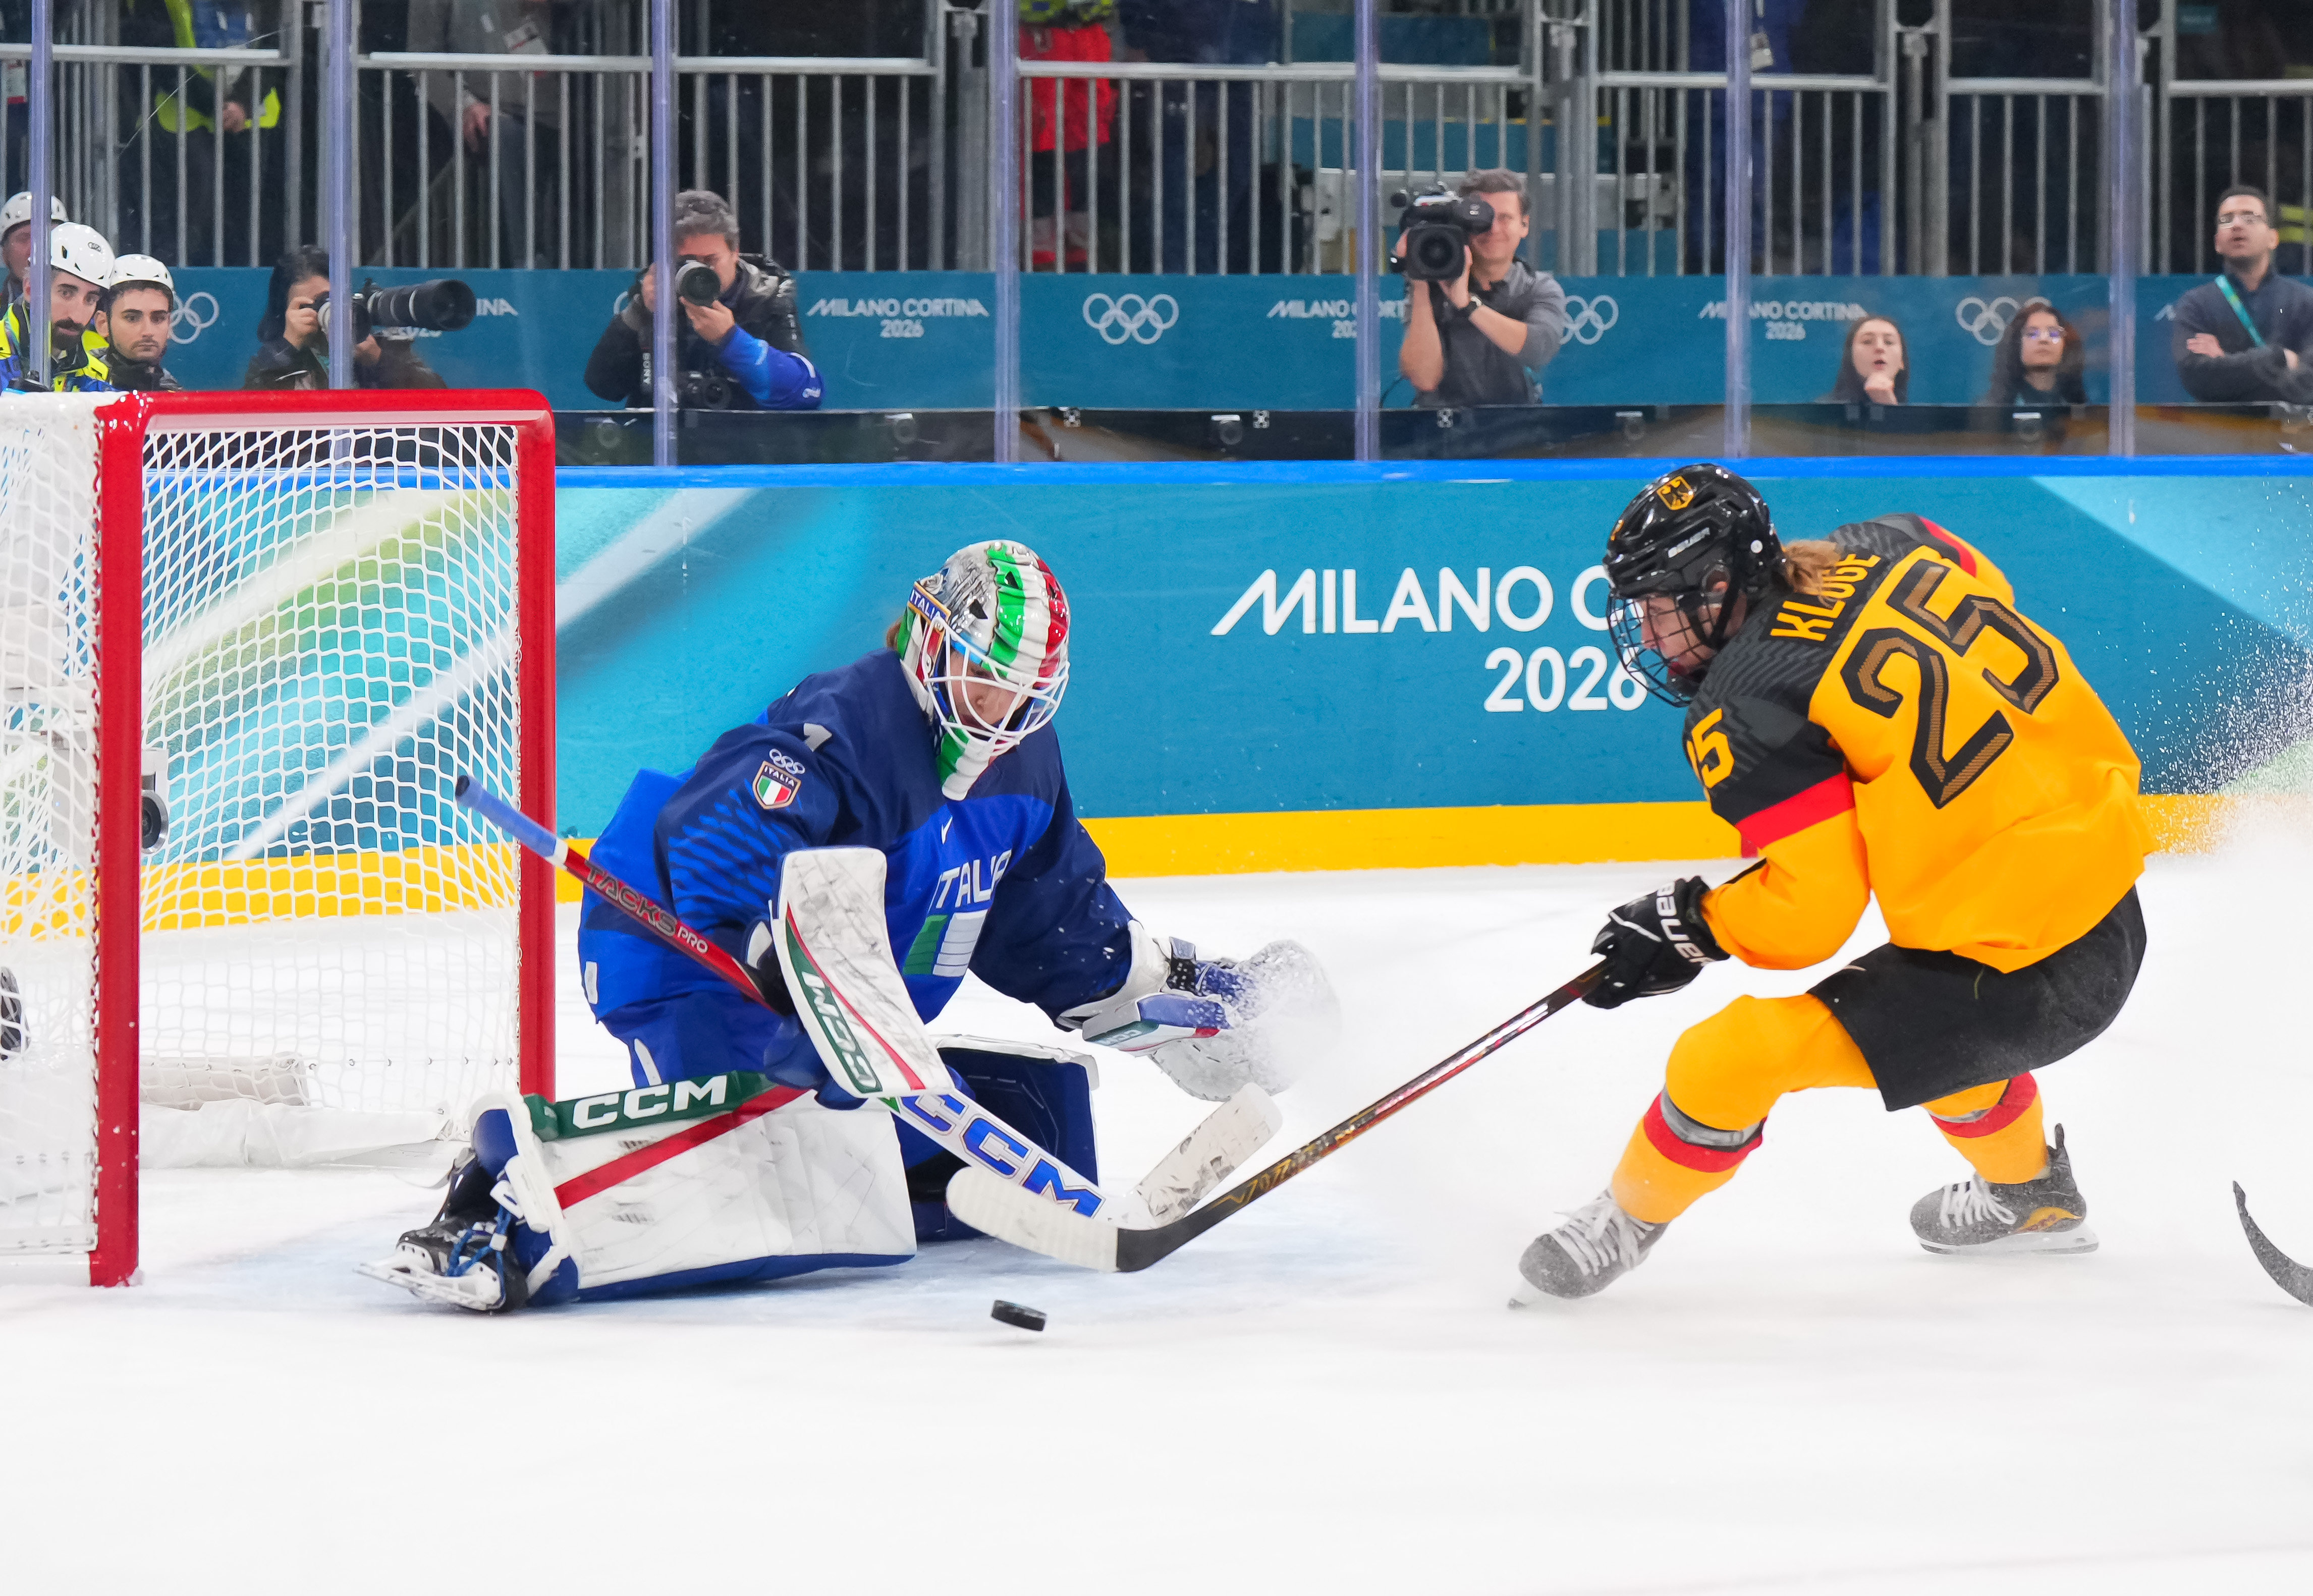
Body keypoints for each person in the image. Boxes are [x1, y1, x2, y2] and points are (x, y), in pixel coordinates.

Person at [366, 542, 1336, 1310]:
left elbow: (1056, 925)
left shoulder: (1025, 769)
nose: (997, 708)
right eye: (981, 676)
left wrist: (1181, 999)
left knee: (968, 1149)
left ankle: (830, 1129)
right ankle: (500, 1188)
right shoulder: (847, 722)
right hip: (688, 956)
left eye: (1020, 691)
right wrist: (770, 956)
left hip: (848, 1017)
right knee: (786, 1157)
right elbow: (711, 838)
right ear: (932, 642)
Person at [1514, 464, 2150, 1301]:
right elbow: (1983, 581)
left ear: (1718, 588)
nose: (1652, 636)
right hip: (2102, 886)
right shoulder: (1892, 539)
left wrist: (1692, 925)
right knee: (1925, 1023)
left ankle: (1621, 1223)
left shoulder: (1746, 701)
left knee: (1729, 1056)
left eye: (1660, 608)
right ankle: (2032, 1197)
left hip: (2027, 961)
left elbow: (1810, 914)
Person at [582, 189, 821, 411]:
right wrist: (640, 312)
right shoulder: (656, 294)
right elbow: (604, 387)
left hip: (746, 437)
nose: (699, 272)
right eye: (686, 262)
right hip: (662, 438)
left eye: (710, 260)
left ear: (735, 252)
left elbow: (806, 393)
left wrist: (731, 340)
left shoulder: (763, 296)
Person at [405, 0, 561, 268]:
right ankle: (525, 266)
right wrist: (464, 105)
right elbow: (421, 60)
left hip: (550, 109)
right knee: (505, 136)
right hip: (485, 112)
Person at [1395, 170, 1569, 409]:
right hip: (1443, 425)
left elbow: (1538, 349)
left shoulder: (1539, 289)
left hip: (1520, 425)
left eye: (1505, 218)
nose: (1493, 229)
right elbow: (1423, 379)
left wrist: (1467, 304)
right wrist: (1420, 281)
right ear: (1463, 225)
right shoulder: (1433, 287)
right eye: (1482, 219)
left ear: (1524, 225)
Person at [2172, 185, 2313, 404]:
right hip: (2222, 426)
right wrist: (2280, 357)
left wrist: (2226, 363)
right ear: (2217, 242)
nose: (2237, 225)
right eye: (2226, 220)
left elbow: (2310, 385)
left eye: (2250, 218)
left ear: (2273, 238)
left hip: (2291, 427)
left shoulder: (2305, 301)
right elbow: (2197, 377)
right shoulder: (2196, 305)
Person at [242, 246, 445, 391]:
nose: (324, 310)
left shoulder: (377, 344)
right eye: (308, 306)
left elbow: (437, 400)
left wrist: (377, 359)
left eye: (328, 299)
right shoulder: (276, 360)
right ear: (286, 312)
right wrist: (287, 349)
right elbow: (253, 418)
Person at [1020, 0, 1116, 270]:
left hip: (1089, 38)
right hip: (1042, 36)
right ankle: (1040, 255)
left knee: (1087, 148)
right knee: (1042, 143)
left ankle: (1081, 253)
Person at [0, 222, 118, 392]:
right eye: (66, 293)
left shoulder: (98, 377)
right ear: (30, 289)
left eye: (90, 299)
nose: (77, 316)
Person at [99, 255, 184, 392]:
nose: (148, 332)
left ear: (169, 325)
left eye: (158, 319)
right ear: (103, 324)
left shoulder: (174, 394)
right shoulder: (75, 386)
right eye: (132, 318)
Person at [1980, 299, 2086, 407]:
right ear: (2016, 344)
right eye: (2032, 334)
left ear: (2066, 344)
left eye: (2053, 334)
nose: (2044, 339)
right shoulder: (1992, 408)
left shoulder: (2079, 406)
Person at [0, 190, 68, 309]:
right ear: (5, 253)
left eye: (48, 236)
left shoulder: (93, 308)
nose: (37, 250)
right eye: (24, 238)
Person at [1827, 314, 1908, 404]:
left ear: (1902, 361)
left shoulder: (1916, 411)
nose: (1879, 347)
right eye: (1867, 342)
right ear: (1851, 357)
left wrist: (1889, 405)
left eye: (1889, 342)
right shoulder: (1825, 408)